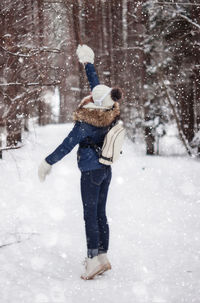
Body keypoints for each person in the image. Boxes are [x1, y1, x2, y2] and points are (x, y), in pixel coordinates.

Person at [38, 45, 123, 280]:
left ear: (94, 102)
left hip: (91, 172)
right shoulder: (111, 110)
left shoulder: (85, 122)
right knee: (100, 213)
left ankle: (92, 259)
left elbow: (66, 146)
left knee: (90, 215)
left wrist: (47, 162)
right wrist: (88, 64)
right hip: (106, 169)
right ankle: (103, 256)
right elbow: (97, 88)